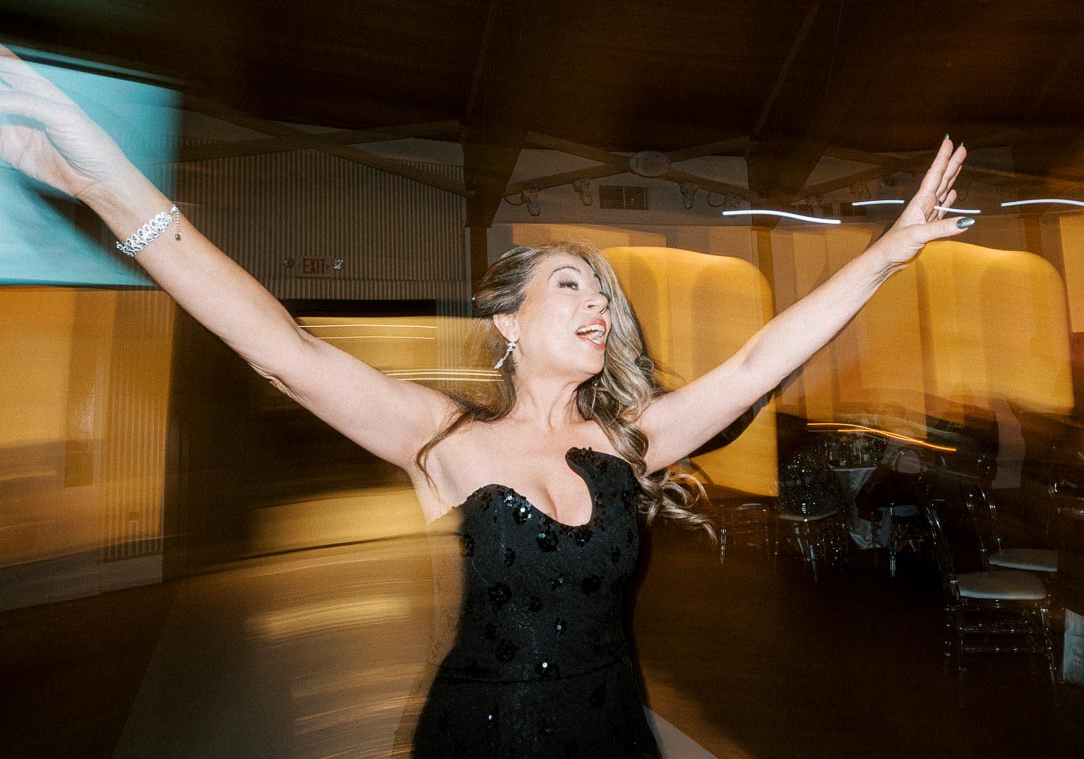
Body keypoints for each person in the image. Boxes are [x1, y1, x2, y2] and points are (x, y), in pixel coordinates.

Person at [0, 43, 972, 756]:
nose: (597, 302)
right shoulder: (443, 438)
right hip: (484, 739)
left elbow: (763, 359)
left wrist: (889, 251)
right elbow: (281, 349)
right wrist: (109, 181)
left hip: (610, 736)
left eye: (603, 293)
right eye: (568, 285)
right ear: (506, 321)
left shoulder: (636, 442)